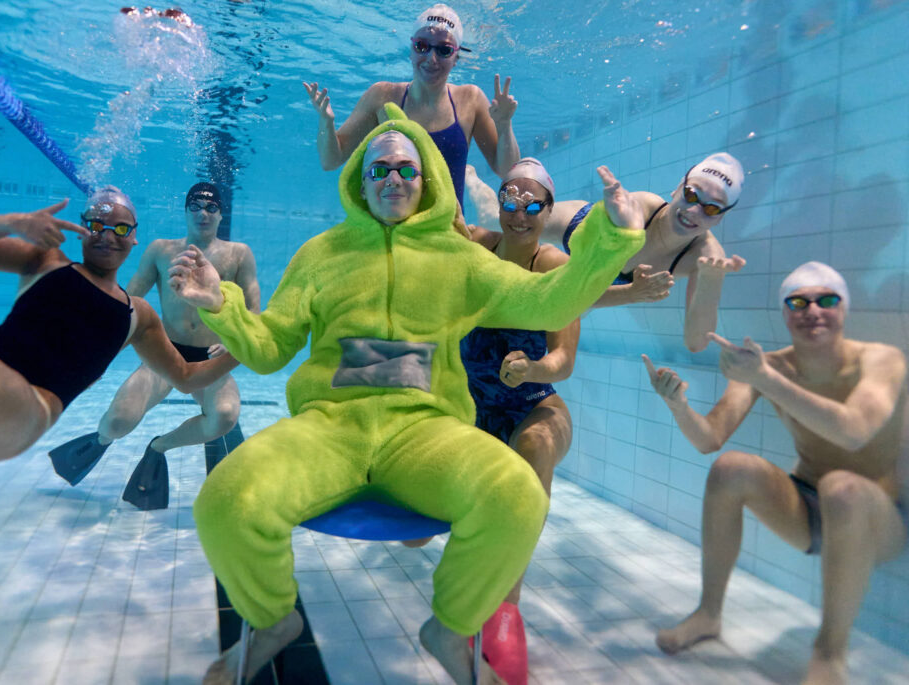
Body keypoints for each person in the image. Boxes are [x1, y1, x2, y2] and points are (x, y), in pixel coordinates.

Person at [167, 105, 647, 684]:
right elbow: (270, 350)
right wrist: (222, 308)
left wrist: (611, 240)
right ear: (359, 179)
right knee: (225, 502)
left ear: (427, 181)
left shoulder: (460, 258)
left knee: (518, 495)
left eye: (405, 168)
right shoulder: (320, 254)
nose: (392, 178)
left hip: (425, 433)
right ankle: (273, 621)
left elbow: (550, 302)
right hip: (328, 428)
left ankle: (452, 626)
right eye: (379, 168)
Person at [643, 261, 908, 685]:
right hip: (809, 508)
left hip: (880, 519)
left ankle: (829, 653)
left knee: (842, 488)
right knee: (730, 468)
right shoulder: (766, 367)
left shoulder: (881, 360)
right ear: (785, 313)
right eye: (798, 302)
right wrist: (678, 405)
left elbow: (854, 432)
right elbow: (709, 438)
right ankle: (708, 613)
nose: (813, 311)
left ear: (844, 308)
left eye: (827, 300)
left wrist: (764, 378)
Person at [0, 187, 237, 462]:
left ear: (134, 237)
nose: (107, 236)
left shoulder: (137, 315)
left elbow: (185, 376)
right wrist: (10, 222)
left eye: (120, 229)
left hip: (26, 408)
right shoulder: (45, 261)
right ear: (82, 230)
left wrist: (244, 348)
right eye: (96, 226)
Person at [47, 182, 260, 510]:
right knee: (117, 423)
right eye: (195, 206)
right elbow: (126, 303)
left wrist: (235, 342)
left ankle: (160, 446)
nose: (203, 213)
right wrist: (94, 356)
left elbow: (253, 311)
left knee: (224, 417)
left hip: (209, 360)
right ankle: (99, 441)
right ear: (185, 211)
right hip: (165, 354)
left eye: (211, 207)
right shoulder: (161, 250)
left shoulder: (239, 254)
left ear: (221, 214)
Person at [459, 157, 580, 684]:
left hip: (535, 402)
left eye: (533, 206)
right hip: (472, 407)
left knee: (535, 449)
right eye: (510, 200)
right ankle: (472, 587)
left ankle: (506, 608)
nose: (519, 214)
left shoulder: (553, 266)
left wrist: (532, 368)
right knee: (423, 527)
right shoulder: (475, 247)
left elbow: (564, 360)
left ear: (549, 213)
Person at [467, 154, 748, 350]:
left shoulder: (708, 258)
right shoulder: (643, 206)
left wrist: (710, 280)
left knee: (566, 314)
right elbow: (581, 283)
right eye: (691, 194)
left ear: (722, 217)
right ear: (677, 189)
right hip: (580, 229)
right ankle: (473, 180)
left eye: (712, 208)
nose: (694, 210)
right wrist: (631, 287)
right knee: (494, 220)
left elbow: (696, 343)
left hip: (598, 277)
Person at [304, 3, 520, 209]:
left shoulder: (470, 99)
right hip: (391, 230)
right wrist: (326, 123)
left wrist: (504, 125)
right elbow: (331, 161)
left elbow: (507, 171)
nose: (431, 58)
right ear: (411, 49)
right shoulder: (382, 96)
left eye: (444, 50)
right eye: (422, 46)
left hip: (447, 231)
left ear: (456, 57)